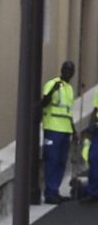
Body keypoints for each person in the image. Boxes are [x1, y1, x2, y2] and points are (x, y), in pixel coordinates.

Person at [42, 59, 77, 201]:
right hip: (52, 128)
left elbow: (68, 112)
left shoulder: (69, 88)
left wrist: (74, 131)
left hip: (65, 130)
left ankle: (55, 190)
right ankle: (50, 193)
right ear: (62, 70)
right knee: (52, 160)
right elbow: (44, 102)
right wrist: (53, 90)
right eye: (66, 69)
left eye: (71, 70)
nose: (68, 72)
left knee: (61, 161)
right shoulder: (52, 84)